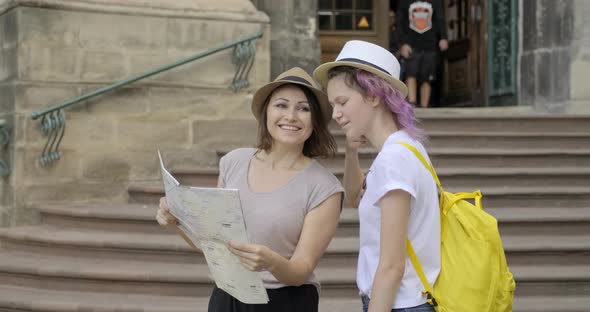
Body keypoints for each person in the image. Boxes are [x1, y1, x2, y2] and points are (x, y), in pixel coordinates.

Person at [156, 67, 344, 312]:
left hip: (285, 302)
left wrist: (272, 262)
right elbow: (214, 244)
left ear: (315, 121)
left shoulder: (324, 188)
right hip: (227, 296)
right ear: (266, 111)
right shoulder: (234, 162)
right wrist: (177, 220)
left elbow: (301, 270)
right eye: (281, 105)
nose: (291, 116)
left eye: (304, 108)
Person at [314, 40, 440, 312]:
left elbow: (391, 266)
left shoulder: (393, 160)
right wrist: (351, 152)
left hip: (401, 303)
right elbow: (355, 197)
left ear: (373, 96)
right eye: (332, 104)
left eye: (342, 102)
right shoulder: (407, 148)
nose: (335, 114)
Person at [396, 0, 448, 107]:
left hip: (430, 44)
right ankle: (412, 106)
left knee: (427, 78)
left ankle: (425, 108)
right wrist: (403, 43)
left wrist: (443, 38)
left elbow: (440, 20)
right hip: (411, 44)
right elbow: (399, 22)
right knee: (411, 74)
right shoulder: (404, 2)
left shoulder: (435, 2)